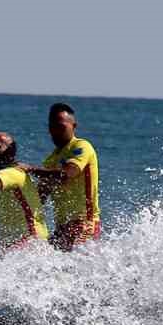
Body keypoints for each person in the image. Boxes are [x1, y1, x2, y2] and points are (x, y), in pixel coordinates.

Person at [26, 102, 100, 250]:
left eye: (61, 127)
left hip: (85, 223)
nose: (56, 131)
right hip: (62, 227)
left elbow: (67, 174)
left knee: (74, 268)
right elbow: (40, 195)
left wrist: (30, 169)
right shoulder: (51, 159)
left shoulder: (81, 146)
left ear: (74, 126)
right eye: (52, 127)